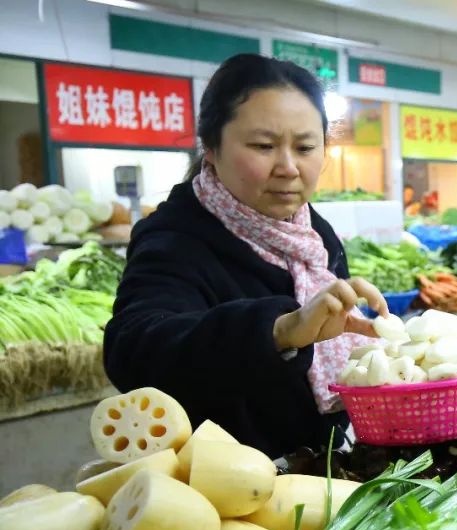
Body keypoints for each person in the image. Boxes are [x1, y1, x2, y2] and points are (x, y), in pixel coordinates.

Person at [104, 54, 389, 459]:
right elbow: (134, 351)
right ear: (212, 148)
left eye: (306, 147)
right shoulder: (175, 240)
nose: (289, 167)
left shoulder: (313, 233)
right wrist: (278, 330)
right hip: (224, 484)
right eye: (263, 146)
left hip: (321, 463)